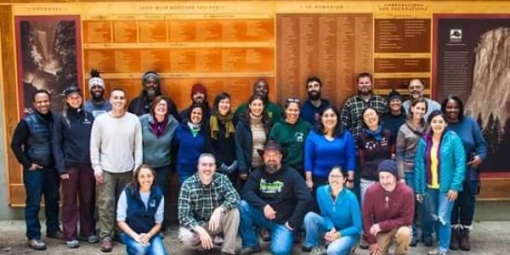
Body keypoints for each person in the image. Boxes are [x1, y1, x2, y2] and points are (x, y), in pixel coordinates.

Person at [90, 88, 143, 252]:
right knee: (106, 204)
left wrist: (137, 168)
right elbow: (94, 146)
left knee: (125, 204)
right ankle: (106, 236)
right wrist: (96, 168)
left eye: (122, 98)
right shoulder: (101, 120)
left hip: (128, 169)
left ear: (125, 101)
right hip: (106, 169)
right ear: (110, 101)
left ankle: (121, 232)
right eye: (115, 98)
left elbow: (138, 147)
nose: (119, 101)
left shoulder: (133, 120)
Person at [238, 140, 312, 255]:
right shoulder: (258, 173)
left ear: (281, 157)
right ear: (263, 157)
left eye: (275, 155)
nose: (271, 158)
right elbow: (246, 192)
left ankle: (288, 234)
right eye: (268, 155)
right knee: (242, 206)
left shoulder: (291, 174)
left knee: (280, 251)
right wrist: (264, 206)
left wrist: (293, 223)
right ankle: (251, 244)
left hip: (283, 221)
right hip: (263, 216)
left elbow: (306, 198)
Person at [10, 89, 62, 250]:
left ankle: (53, 229)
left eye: (45, 101)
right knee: (33, 203)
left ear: (50, 101)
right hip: (35, 170)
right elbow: (15, 145)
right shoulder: (27, 122)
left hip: (52, 169)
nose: (43, 104)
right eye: (39, 102)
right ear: (34, 104)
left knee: (53, 201)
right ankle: (33, 236)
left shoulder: (56, 119)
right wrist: (27, 164)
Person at [415, 110, 466, 255]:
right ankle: (439, 245)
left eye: (440, 121)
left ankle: (444, 248)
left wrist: (455, 186)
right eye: (434, 121)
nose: (437, 124)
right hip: (429, 187)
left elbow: (460, 163)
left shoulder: (453, 139)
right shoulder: (424, 141)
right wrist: (419, 189)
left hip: (446, 188)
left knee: (443, 217)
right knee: (435, 217)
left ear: (446, 123)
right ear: (430, 124)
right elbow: (419, 165)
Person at [52, 86, 97, 248]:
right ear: (66, 100)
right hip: (69, 167)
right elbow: (56, 144)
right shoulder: (61, 119)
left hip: (87, 166)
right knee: (69, 202)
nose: (75, 100)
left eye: (78, 97)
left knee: (87, 199)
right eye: (72, 97)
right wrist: (61, 168)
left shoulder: (89, 117)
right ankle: (70, 234)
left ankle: (87, 231)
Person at [441, 96, 487, 251]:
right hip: (449, 172)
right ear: (444, 108)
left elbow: (482, 145)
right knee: (451, 203)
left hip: (469, 171)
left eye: (456, 107)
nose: (452, 110)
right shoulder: (441, 124)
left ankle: (465, 232)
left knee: (467, 204)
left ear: (460, 108)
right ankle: (453, 232)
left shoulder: (470, 123)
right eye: (449, 107)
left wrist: (480, 157)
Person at [178, 153, 241, 255]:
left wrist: (219, 209)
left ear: (215, 167)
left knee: (234, 212)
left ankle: (227, 251)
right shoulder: (187, 185)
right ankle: (208, 242)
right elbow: (183, 216)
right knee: (185, 237)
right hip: (199, 226)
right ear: (198, 166)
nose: (207, 168)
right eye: (204, 165)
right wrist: (201, 231)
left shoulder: (222, 179)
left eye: (211, 165)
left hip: (216, 223)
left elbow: (235, 197)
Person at [395, 97, 432, 246]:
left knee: (426, 203)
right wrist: (401, 176)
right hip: (408, 170)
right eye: (417, 108)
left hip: (425, 171)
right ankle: (413, 233)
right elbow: (399, 153)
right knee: (410, 205)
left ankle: (427, 233)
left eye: (423, 109)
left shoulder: (429, 128)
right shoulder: (403, 129)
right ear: (411, 108)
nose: (420, 111)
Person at [302, 166, 362, 255]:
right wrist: (331, 228)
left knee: (332, 251)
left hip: (347, 232)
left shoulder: (351, 197)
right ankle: (314, 246)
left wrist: (338, 234)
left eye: (338, 176)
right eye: (332, 176)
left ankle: (347, 247)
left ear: (344, 179)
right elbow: (324, 214)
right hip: (331, 228)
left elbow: (357, 227)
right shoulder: (321, 191)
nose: (334, 179)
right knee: (310, 217)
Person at [363, 160, 414, 255]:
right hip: (381, 231)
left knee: (405, 233)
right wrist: (372, 241)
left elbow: (407, 219)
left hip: (399, 227)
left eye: (388, 177)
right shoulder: (371, 191)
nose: (385, 181)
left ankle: (400, 253)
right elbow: (366, 217)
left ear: (395, 177)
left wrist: (381, 225)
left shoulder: (407, 192)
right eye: (381, 177)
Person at [304, 106, 356, 200]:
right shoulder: (313, 135)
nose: (329, 118)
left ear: (337, 118)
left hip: (340, 179)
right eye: (326, 116)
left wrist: (350, 179)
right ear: (321, 118)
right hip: (319, 179)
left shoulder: (346, 135)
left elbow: (351, 157)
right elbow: (308, 158)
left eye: (332, 115)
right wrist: (309, 179)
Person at [117, 165, 167, 255]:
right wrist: (136, 236)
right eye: (142, 176)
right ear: (137, 178)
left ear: (153, 177)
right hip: (130, 233)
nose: (146, 179)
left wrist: (149, 235)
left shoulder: (158, 194)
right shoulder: (127, 192)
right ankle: (131, 250)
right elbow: (120, 221)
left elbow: (158, 223)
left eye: (149, 176)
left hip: (150, 233)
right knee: (141, 249)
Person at [139, 96, 179, 192]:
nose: (161, 107)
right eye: (159, 104)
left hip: (163, 167)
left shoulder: (174, 124)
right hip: (145, 166)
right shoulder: (142, 120)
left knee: (159, 194)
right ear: (153, 106)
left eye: (164, 105)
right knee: (144, 193)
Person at [358, 107, 394, 205]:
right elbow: (361, 159)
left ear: (377, 116)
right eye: (367, 116)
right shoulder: (361, 137)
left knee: (386, 207)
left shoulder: (388, 134)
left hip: (386, 177)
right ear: (364, 120)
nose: (370, 117)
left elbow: (392, 154)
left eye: (372, 114)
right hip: (368, 177)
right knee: (367, 207)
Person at [269, 97, 312, 176]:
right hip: (282, 169)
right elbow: (272, 149)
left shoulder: (307, 127)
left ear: (299, 111)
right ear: (285, 110)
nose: (293, 113)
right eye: (290, 110)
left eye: (296, 110)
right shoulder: (277, 127)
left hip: (302, 169)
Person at [235, 94, 272, 182]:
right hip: (248, 168)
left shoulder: (267, 123)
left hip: (264, 168)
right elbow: (238, 147)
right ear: (250, 106)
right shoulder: (242, 124)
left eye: (259, 105)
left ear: (263, 106)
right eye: (254, 105)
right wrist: (242, 168)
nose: (257, 107)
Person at [340, 72, 387, 142]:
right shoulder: (350, 103)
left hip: (379, 144)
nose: (364, 85)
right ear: (357, 85)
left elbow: (387, 123)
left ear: (371, 84)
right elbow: (343, 126)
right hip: (356, 144)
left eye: (367, 82)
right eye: (361, 83)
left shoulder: (381, 101)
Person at [206, 92, 238, 187]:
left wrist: (236, 162)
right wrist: (220, 164)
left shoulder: (235, 119)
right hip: (217, 166)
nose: (225, 105)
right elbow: (209, 145)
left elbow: (239, 142)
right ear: (217, 104)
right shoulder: (210, 120)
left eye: (227, 102)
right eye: (222, 102)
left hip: (233, 165)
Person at [173, 103, 207, 184]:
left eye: (199, 113)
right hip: (184, 170)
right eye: (194, 113)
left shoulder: (205, 131)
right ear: (190, 114)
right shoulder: (180, 129)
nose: (196, 115)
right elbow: (174, 148)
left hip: (202, 171)